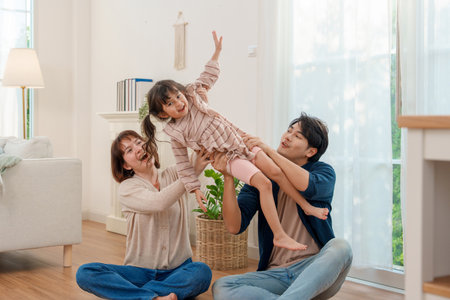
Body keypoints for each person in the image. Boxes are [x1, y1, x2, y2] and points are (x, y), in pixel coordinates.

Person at [142, 31, 328, 252]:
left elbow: (208, 76)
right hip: (227, 157)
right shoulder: (176, 131)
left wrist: (217, 52)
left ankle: (306, 206)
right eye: (171, 104)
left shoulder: (194, 96)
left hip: (240, 141)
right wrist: (195, 189)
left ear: (183, 93)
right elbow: (183, 164)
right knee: (264, 183)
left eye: (178, 97)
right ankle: (280, 235)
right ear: (164, 114)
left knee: (276, 173)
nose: (179, 103)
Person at [211, 113, 353, 300]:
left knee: (341, 247)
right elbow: (234, 226)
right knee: (222, 286)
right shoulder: (261, 177)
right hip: (276, 275)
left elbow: (307, 186)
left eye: (297, 136)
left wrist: (268, 152)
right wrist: (228, 175)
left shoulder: (323, 172)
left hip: (314, 271)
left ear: (310, 151)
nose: (287, 136)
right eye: (289, 130)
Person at [76, 130, 212, 300]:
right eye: (129, 150)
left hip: (178, 270)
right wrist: (191, 174)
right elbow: (159, 202)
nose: (138, 149)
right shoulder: (127, 188)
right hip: (138, 272)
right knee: (85, 273)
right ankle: (154, 297)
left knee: (201, 272)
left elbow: (201, 151)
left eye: (139, 143)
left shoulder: (174, 174)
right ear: (126, 165)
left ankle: (137, 295)